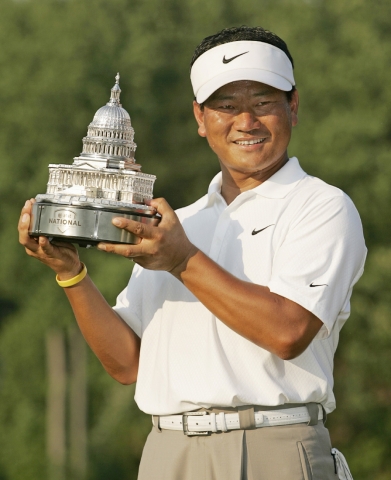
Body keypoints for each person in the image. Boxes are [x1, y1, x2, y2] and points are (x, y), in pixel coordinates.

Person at [19, 26, 366, 480]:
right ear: (200, 118)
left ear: (292, 107)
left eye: (263, 103)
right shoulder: (180, 223)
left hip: (272, 447)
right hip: (168, 452)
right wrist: (71, 274)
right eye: (226, 106)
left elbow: (289, 331)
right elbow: (128, 364)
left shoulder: (321, 206)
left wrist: (183, 261)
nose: (246, 122)